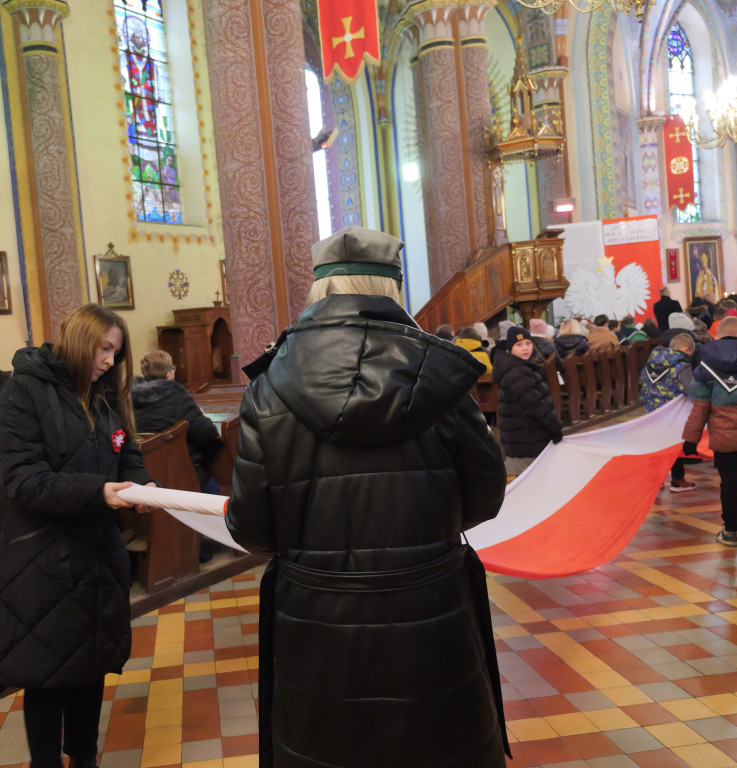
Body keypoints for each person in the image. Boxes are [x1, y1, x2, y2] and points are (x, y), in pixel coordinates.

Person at [227, 227, 509, 768]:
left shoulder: (268, 387)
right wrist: (426, 536)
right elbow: (485, 494)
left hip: (318, 620)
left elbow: (253, 530)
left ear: (320, 289)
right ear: (393, 289)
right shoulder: (442, 376)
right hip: (431, 609)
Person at [0, 305, 158, 768]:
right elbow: (22, 480)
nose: (109, 362)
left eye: (116, 353)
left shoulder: (100, 394)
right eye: (104, 349)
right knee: (47, 672)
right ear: (80, 341)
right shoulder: (23, 392)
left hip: (94, 551)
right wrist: (100, 491)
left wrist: (139, 484)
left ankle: (84, 757)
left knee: (89, 661)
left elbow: (125, 447)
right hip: (40, 556)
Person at [682, 316, 737, 547]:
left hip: (723, 439)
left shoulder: (704, 369)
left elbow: (699, 407)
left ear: (717, 337)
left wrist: (691, 438)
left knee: (728, 485)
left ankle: (729, 532)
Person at [131, 350, 221, 493]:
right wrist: (202, 416)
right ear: (169, 374)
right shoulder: (178, 398)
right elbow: (207, 433)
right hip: (179, 478)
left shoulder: (128, 399)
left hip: (143, 478)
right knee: (216, 487)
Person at [493, 325, 563, 475]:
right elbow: (535, 404)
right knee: (533, 483)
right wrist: (555, 428)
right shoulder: (517, 372)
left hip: (527, 439)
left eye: (528, 343)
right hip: (527, 442)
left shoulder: (520, 367)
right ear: (510, 348)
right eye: (519, 345)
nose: (525, 348)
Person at [641, 334, 697, 492]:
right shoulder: (681, 364)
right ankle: (678, 480)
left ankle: (655, 481)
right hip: (673, 412)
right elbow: (690, 389)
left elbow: (643, 382)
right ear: (686, 349)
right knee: (674, 445)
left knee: (657, 445)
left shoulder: (651, 361)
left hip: (652, 410)